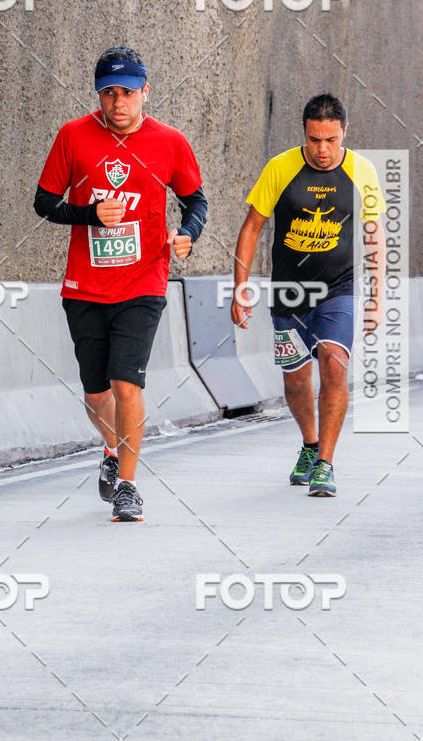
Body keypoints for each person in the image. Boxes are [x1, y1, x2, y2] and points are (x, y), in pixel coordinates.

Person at [34, 47, 207, 521]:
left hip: (144, 283)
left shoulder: (169, 142)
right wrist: (88, 215)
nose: (118, 102)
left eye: (127, 92)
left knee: (125, 383)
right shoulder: (73, 136)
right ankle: (111, 451)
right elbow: (44, 203)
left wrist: (187, 234)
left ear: (145, 92)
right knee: (96, 393)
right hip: (85, 287)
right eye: (108, 93)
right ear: (99, 95)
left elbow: (196, 202)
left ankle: (128, 485)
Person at [231, 93, 385, 497]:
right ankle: (309, 445)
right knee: (297, 383)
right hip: (289, 291)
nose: (322, 150)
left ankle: (326, 464)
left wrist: (377, 297)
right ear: (305, 133)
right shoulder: (280, 168)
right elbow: (251, 229)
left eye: (330, 140)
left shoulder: (362, 171)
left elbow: (374, 235)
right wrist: (240, 288)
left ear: (344, 133)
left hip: (339, 288)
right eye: (315, 140)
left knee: (334, 367)